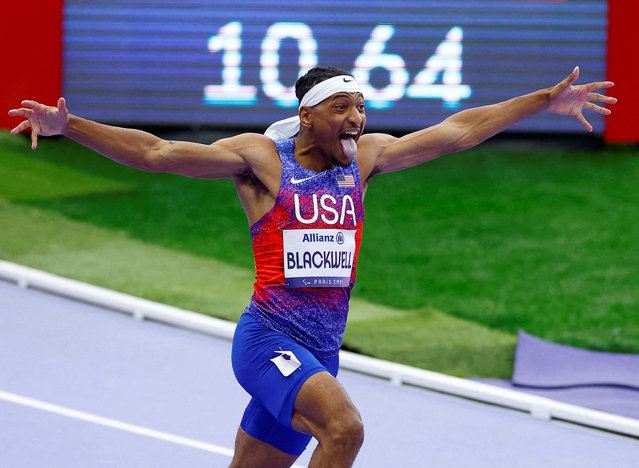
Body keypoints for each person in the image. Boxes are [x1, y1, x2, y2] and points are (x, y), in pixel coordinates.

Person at [8, 65, 615, 467]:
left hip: (322, 351)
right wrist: (72, 127)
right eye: (345, 109)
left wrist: (542, 100)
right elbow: (160, 153)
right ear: (308, 116)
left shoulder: (365, 160)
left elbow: (456, 132)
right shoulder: (260, 162)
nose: (359, 120)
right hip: (267, 339)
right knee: (345, 429)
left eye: (362, 109)